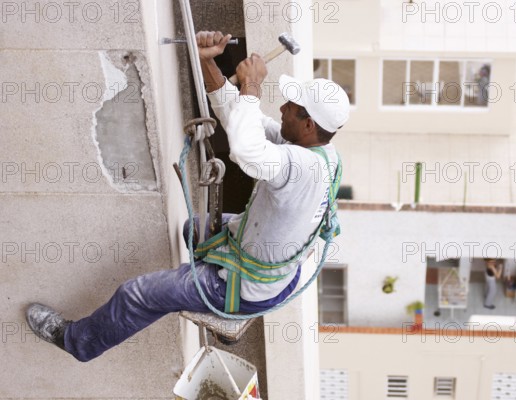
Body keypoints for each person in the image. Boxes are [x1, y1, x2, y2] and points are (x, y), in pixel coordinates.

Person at [25, 31, 350, 362]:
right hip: (268, 258)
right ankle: (195, 292)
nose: (282, 108)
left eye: (291, 108)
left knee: (135, 294)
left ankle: (75, 341)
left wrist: (253, 86)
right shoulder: (323, 152)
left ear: (308, 124)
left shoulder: (303, 167)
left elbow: (245, 149)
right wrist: (207, 60)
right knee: (192, 229)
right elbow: (241, 118)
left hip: (248, 285)